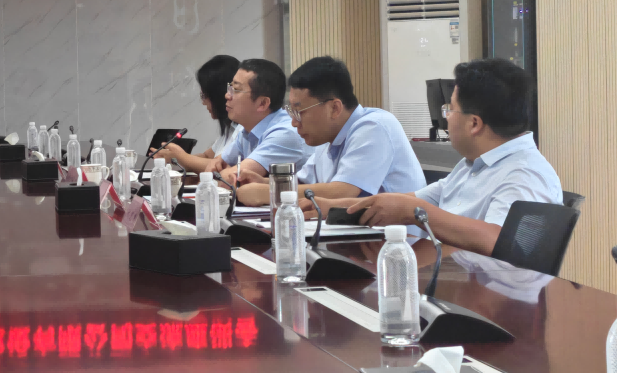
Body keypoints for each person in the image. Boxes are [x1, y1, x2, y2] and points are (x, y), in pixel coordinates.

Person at [345, 58, 562, 256]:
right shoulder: (473, 164)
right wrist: (332, 207)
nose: (447, 117)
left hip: (491, 285)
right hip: (455, 276)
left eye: (450, 109)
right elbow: (403, 202)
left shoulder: (525, 173)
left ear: (474, 123)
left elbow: (497, 240)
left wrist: (414, 211)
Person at [235, 56, 425, 207]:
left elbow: (342, 191)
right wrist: (263, 183)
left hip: (397, 241)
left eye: (299, 112)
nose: (293, 123)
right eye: (291, 112)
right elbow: (304, 183)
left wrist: (271, 192)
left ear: (334, 108)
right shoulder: (327, 138)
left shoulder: (375, 126)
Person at [206, 59, 311, 184]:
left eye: (236, 89)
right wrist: (222, 169)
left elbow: (229, 180)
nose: (227, 95)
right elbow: (216, 165)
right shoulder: (247, 129)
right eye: (230, 87)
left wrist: (225, 172)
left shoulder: (284, 133)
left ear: (262, 103)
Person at [154, 54, 240, 172]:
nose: (203, 102)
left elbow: (222, 167)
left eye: (204, 96)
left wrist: (181, 157)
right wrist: (171, 157)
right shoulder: (229, 128)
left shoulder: (243, 129)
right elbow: (207, 156)